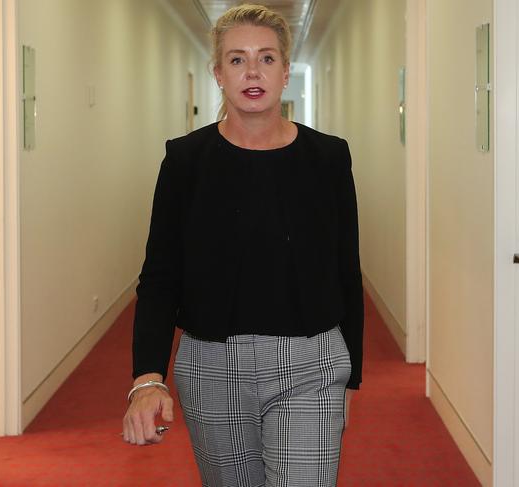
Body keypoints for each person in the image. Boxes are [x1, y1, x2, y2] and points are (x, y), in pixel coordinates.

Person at [122, 4, 364, 486]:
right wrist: (147, 379)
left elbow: (345, 268)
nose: (252, 71)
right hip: (211, 366)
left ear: (285, 70)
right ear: (218, 73)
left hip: (311, 362)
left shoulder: (327, 157)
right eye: (237, 60)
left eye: (266, 58)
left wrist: (351, 376)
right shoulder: (185, 161)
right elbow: (160, 276)